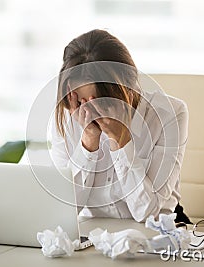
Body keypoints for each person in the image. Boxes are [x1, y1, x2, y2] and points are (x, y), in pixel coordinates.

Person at [50, 29, 191, 223]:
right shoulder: (68, 115)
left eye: (99, 103)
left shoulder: (170, 114)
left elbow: (148, 213)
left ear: (127, 89)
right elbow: (63, 209)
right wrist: (88, 143)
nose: (88, 113)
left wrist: (121, 141)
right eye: (81, 102)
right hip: (94, 237)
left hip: (156, 235)